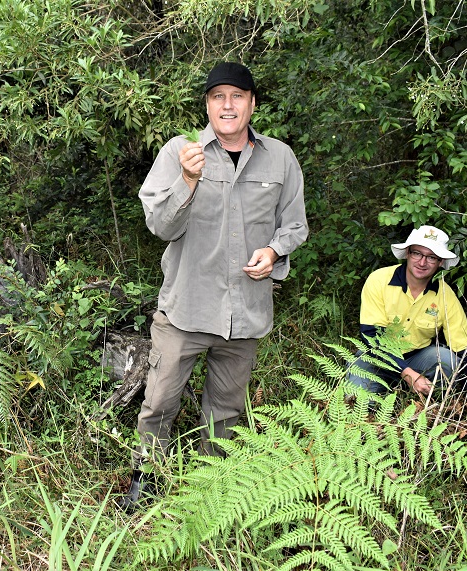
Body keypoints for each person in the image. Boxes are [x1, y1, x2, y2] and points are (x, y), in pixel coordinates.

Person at [120, 62, 309, 510]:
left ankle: (210, 493)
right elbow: (160, 226)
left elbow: (295, 225)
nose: (227, 105)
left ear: (252, 103)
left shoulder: (280, 158)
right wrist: (188, 180)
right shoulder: (179, 152)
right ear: (207, 105)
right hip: (185, 309)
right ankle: (147, 481)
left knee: (226, 413)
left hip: (245, 312)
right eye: (217, 96)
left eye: (237, 95)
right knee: (159, 402)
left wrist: (274, 252)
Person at [346, 225, 467, 401]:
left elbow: (464, 349)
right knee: (358, 401)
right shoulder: (379, 280)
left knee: (448, 360)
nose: (422, 262)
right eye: (417, 253)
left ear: (440, 262)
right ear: (408, 253)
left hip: (418, 359)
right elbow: (372, 336)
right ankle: (391, 389)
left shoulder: (445, 295)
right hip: (376, 357)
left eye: (431, 257)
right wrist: (407, 374)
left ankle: (427, 399)